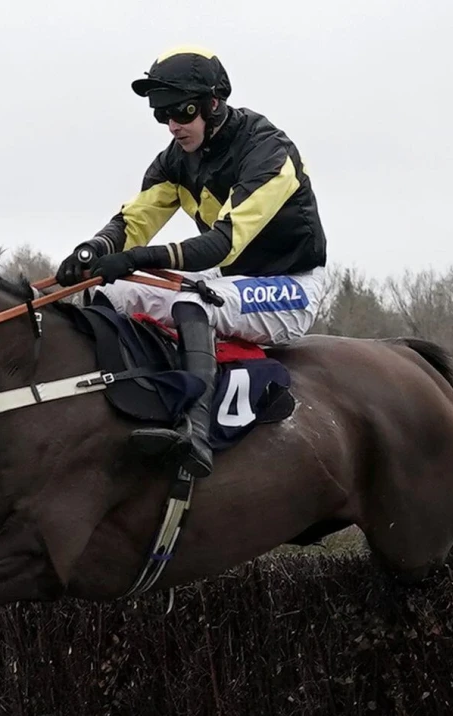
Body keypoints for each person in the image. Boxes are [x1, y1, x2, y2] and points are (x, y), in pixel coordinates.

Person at [55, 46, 328, 478]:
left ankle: (194, 432)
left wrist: (137, 258)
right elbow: (135, 220)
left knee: (195, 303)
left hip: (289, 285)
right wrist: (94, 250)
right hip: (227, 278)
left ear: (213, 103)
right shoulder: (175, 159)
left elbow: (223, 244)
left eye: (180, 112)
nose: (172, 126)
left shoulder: (270, 152)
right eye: (161, 114)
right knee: (103, 288)